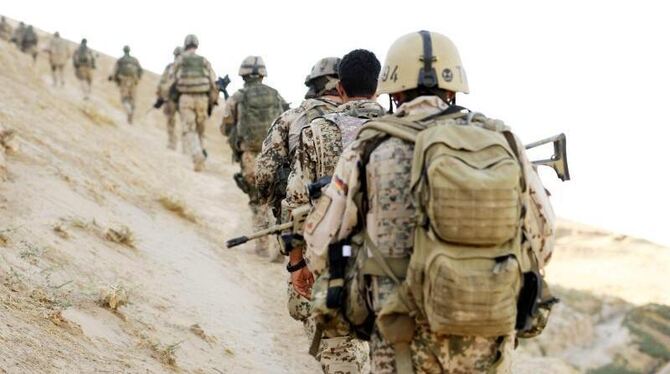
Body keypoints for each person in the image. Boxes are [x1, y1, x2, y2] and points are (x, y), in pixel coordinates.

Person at [304, 31, 557, 373]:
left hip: (401, 338)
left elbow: (321, 244)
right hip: (487, 334)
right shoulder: (502, 139)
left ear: (393, 90)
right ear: (454, 87)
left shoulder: (370, 145)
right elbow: (543, 240)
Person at [285, 49, 386, 374]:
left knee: (340, 357)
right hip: (391, 267)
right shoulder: (405, 132)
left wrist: (296, 263)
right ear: (379, 88)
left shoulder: (316, 132)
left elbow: (298, 202)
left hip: (334, 265)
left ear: (340, 89)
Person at [255, 57, 342, 223]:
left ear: (315, 84)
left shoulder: (291, 117)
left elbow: (265, 172)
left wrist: (267, 199)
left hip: (301, 219)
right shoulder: (366, 118)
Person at [221, 56, 286, 258]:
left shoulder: (238, 97)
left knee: (258, 200)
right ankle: (280, 248)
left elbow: (225, 126)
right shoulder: (275, 95)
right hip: (275, 155)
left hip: (250, 155)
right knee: (279, 200)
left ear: (243, 74)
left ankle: (261, 246)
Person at [170, 34, 217, 172]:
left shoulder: (180, 60)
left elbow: (172, 79)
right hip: (202, 99)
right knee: (200, 130)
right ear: (196, 45)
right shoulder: (204, 61)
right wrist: (212, 103)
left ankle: (197, 154)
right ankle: (201, 157)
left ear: (185, 45)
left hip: (185, 99)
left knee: (189, 130)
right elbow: (213, 82)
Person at [156, 46, 183, 150]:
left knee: (170, 121)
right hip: (181, 99)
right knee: (184, 122)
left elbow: (162, 82)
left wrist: (160, 96)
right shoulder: (185, 67)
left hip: (172, 99)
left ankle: (172, 143)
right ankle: (181, 145)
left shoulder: (170, 67)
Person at [110, 45, 143, 124]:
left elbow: (115, 71)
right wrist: (137, 80)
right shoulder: (135, 60)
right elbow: (141, 71)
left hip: (124, 80)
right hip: (133, 81)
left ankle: (129, 111)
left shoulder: (120, 60)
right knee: (132, 99)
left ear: (123, 51)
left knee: (124, 99)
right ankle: (131, 113)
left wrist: (114, 79)